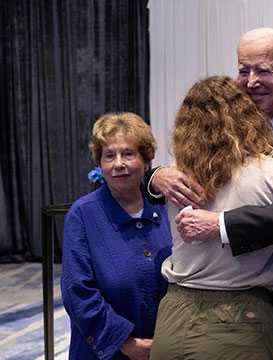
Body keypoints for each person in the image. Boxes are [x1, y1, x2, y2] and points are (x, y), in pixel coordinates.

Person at [143, 28, 273, 359]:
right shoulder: (223, 134)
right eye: (244, 70)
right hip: (229, 314)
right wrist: (156, 176)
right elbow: (179, 178)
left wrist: (221, 225)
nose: (251, 81)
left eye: (263, 70)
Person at [61, 113, 172, 360]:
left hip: (164, 347)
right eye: (109, 155)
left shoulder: (166, 209)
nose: (118, 163)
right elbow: (77, 292)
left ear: (146, 160)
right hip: (104, 352)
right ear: (100, 163)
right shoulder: (83, 214)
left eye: (128, 154)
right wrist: (125, 342)